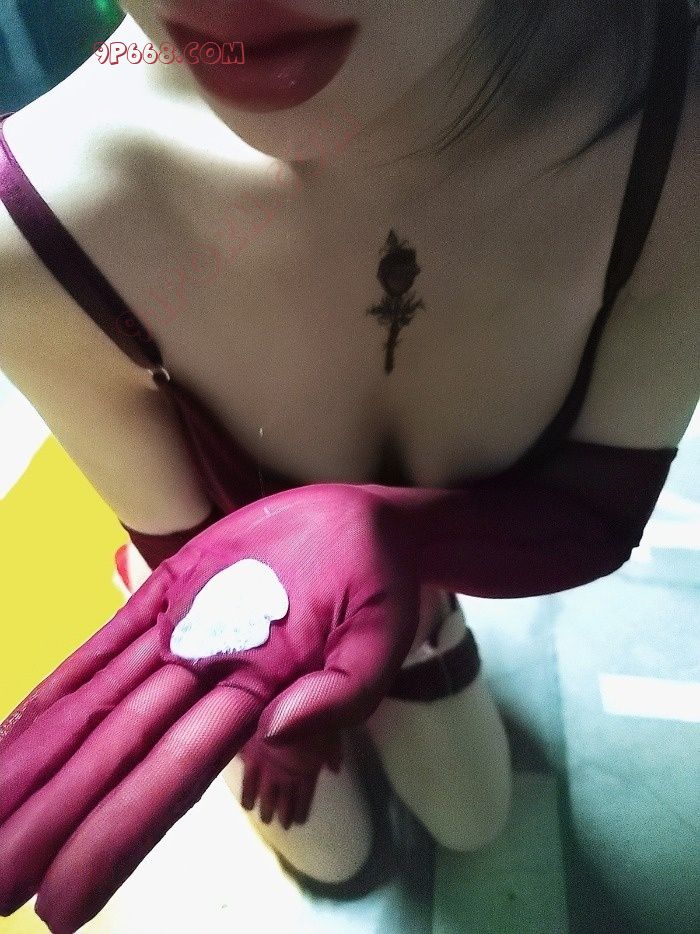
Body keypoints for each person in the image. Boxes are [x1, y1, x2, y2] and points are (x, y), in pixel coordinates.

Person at [0, 0, 697, 915]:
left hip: (422, 595)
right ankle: (151, 592)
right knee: (342, 862)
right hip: (231, 591)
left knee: (478, 820)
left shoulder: (674, 136)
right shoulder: (34, 223)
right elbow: (186, 542)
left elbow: (597, 514)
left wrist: (397, 541)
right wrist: (267, 711)